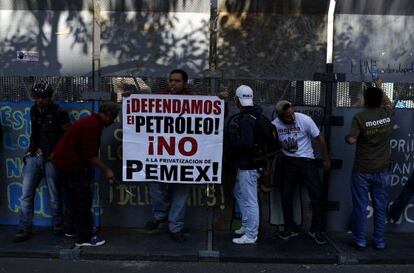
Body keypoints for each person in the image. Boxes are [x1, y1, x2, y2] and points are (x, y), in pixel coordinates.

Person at [52, 102, 119, 247]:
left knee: (74, 199)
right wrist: (106, 169)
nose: (113, 122)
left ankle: (73, 229)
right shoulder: (93, 125)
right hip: (71, 165)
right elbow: (90, 155)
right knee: (82, 200)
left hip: (63, 163)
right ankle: (84, 237)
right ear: (107, 115)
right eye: (113, 118)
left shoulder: (90, 122)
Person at [13, 81, 71, 243]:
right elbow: (35, 133)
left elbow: (68, 136)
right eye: (37, 97)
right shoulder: (34, 111)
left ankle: (58, 226)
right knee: (26, 194)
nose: (40, 100)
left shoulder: (59, 112)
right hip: (35, 156)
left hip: (51, 159)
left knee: (54, 194)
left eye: (43, 97)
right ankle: (24, 228)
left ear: (50, 97)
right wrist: (30, 151)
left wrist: (55, 154)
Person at [143, 69, 193, 243]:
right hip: (162, 152)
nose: (173, 83)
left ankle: (175, 227)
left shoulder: (194, 101)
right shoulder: (160, 97)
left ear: (184, 83)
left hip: (185, 156)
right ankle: (160, 215)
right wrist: (129, 100)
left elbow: (214, 118)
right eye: (171, 80)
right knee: (155, 184)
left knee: (181, 192)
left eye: (177, 81)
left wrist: (221, 103)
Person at [272, 100, 330, 245]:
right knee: (286, 195)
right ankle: (289, 228)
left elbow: (319, 138)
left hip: (307, 161)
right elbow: (272, 144)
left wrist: (326, 159)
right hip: (288, 161)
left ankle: (315, 229)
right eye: (287, 116)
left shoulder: (304, 120)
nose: (291, 118)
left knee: (317, 194)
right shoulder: (275, 125)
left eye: (292, 114)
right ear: (280, 117)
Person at [345, 80, 393, 250]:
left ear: (365, 100)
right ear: (380, 100)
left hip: (362, 170)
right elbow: (389, 102)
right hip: (382, 169)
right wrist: (379, 86)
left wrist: (348, 138)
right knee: (380, 207)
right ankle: (379, 241)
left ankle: (360, 240)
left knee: (360, 206)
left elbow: (351, 140)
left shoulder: (360, 117)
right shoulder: (386, 113)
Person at [229, 85, 263, 244]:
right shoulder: (255, 115)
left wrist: (233, 142)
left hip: (248, 165)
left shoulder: (246, 120)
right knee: (239, 193)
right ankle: (246, 225)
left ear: (237, 100)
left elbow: (246, 145)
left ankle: (251, 234)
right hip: (250, 164)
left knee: (250, 199)